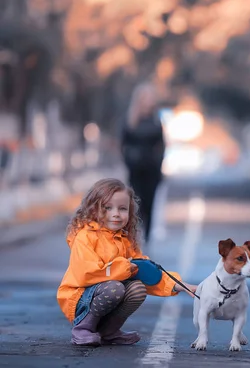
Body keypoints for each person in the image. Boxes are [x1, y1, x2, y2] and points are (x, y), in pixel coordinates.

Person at [56, 178, 197, 346]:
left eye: (122, 209)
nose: (116, 213)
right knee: (115, 287)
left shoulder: (124, 240)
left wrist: (178, 284)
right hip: (79, 299)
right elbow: (86, 273)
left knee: (137, 288)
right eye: (107, 208)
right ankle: (83, 328)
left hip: (103, 293)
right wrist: (122, 268)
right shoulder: (85, 237)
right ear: (93, 210)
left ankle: (108, 331)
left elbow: (147, 272)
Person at [121, 82, 165, 243]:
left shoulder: (156, 120)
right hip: (135, 170)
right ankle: (136, 234)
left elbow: (161, 145)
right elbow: (123, 143)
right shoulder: (131, 119)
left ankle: (146, 236)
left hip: (152, 170)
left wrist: (158, 162)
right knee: (136, 203)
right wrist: (129, 160)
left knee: (150, 203)